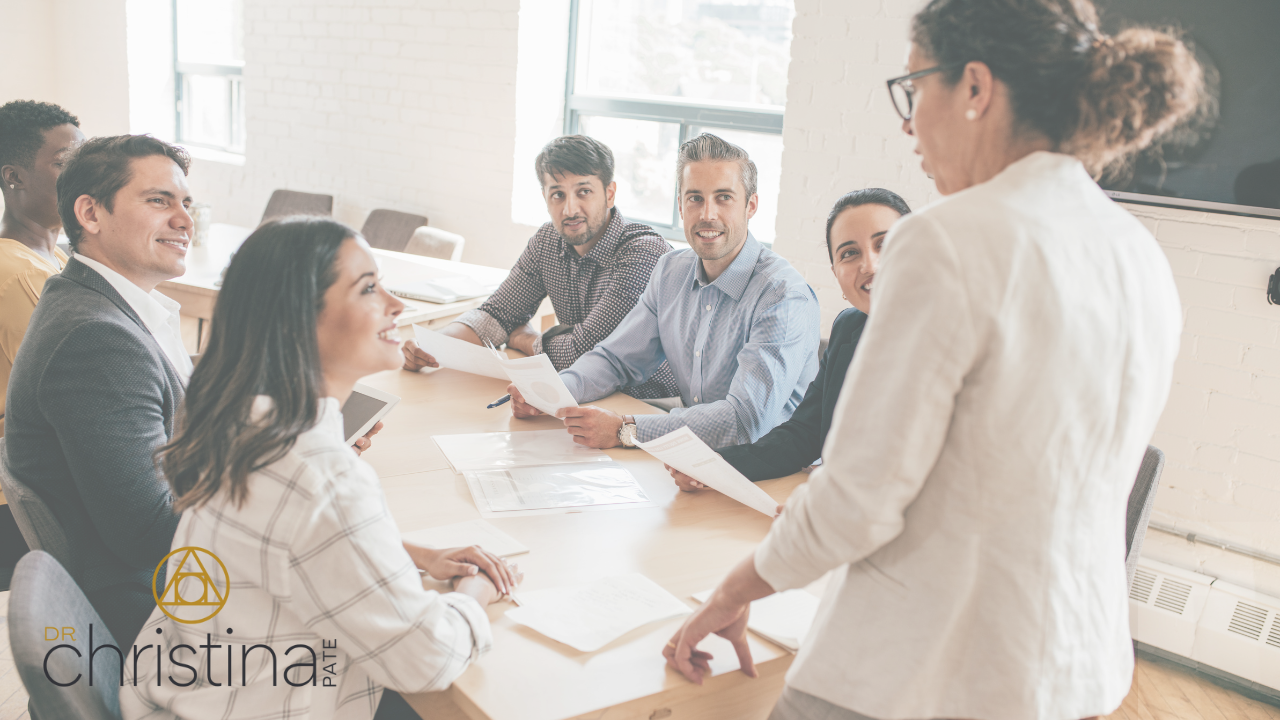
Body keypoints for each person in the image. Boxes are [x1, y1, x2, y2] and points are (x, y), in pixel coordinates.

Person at [663, 2, 1206, 720]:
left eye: (915, 87)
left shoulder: (943, 241)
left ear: (975, 88)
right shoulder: (1139, 254)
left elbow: (858, 499)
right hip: (1075, 673)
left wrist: (733, 593)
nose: (907, 120)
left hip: (919, 674)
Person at [122, 217, 517, 720]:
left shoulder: (243, 424)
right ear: (298, 320)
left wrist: (409, 553)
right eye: (369, 289)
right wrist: (476, 592)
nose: (397, 306)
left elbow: (284, 545)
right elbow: (425, 659)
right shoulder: (319, 476)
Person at [509, 133, 821, 450]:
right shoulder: (671, 271)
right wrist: (551, 392)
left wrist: (625, 430)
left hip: (775, 473)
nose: (707, 214)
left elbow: (745, 421)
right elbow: (616, 359)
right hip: (696, 461)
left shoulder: (782, 296)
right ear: (681, 206)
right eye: (695, 198)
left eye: (724, 198)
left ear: (750, 205)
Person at [5, 134, 196, 645]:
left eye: (186, 202)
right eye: (160, 200)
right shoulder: (98, 339)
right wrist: (278, 486)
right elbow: (149, 533)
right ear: (90, 213)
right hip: (159, 613)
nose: (184, 220)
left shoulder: (96, 303)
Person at [402, 135, 679, 399]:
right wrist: (433, 346)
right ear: (545, 197)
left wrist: (528, 339)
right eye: (558, 195)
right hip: (584, 393)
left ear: (609, 193)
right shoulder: (548, 241)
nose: (570, 209)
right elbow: (496, 315)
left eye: (584, 192)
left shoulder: (642, 253)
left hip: (651, 402)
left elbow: (586, 353)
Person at [668, 189, 910, 490]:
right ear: (837, 274)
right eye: (849, 253)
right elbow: (803, 435)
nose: (870, 265)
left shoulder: (959, 336)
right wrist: (715, 467)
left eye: (884, 244)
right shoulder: (850, 328)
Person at [0, 100, 84, 437]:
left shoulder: (56, 259)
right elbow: (67, 396)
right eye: (65, 163)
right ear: (14, 177)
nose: (84, 176)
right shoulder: (18, 274)